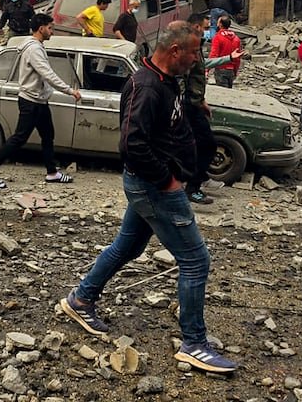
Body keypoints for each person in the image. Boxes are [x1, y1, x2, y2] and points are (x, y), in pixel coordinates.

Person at [59, 22, 237, 374]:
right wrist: (166, 181)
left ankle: (81, 299)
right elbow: (132, 144)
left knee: (127, 247)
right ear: (175, 51)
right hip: (154, 187)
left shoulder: (168, 81)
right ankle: (194, 344)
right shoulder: (146, 86)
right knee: (195, 261)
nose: (197, 59)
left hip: (151, 185)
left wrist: (192, 114)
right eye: (193, 52)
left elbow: (165, 127)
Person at [0, 13, 82, 188]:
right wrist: (69, 91)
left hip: (39, 100)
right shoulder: (34, 49)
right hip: (31, 101)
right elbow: (47, 74)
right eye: (50, 28)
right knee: (19, 138)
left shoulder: (36, 46)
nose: (52, 32)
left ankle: (52, 172)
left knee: (48, 136)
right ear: (41, 29)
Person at [184, 13, 243, 205]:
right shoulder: (186, 47)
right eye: (205, 27)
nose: (207, 31)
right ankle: (192, 187)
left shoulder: (196, 46)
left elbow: (203, 65)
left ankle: (198, 179)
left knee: (200, 144)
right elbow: (182, 78)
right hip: (188, 106)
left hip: (195, 103)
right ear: (195, 27)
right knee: (205, 144)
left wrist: (228, 58)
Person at [209, 16, 243, 88]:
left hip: (221, 69)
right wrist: (235, 70)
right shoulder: (236, 38)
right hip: (231, 70)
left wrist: (207, 69)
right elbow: (237, 58)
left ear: (220, 24)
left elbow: (214, 54)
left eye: (218, 22)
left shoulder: (218, 37)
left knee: (223, 92)